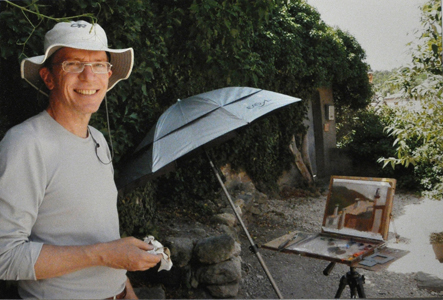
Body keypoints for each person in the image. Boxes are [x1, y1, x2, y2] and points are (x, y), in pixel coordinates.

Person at [0, 20, 162, 299]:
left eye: (99, 64)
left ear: (109, 75)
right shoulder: (26, 143)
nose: (89, 76)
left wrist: (126, 291)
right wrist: (102, 255)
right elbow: (5, 257)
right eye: (73, 64)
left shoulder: (98, 138)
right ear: (48, 77)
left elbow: (102, 231)